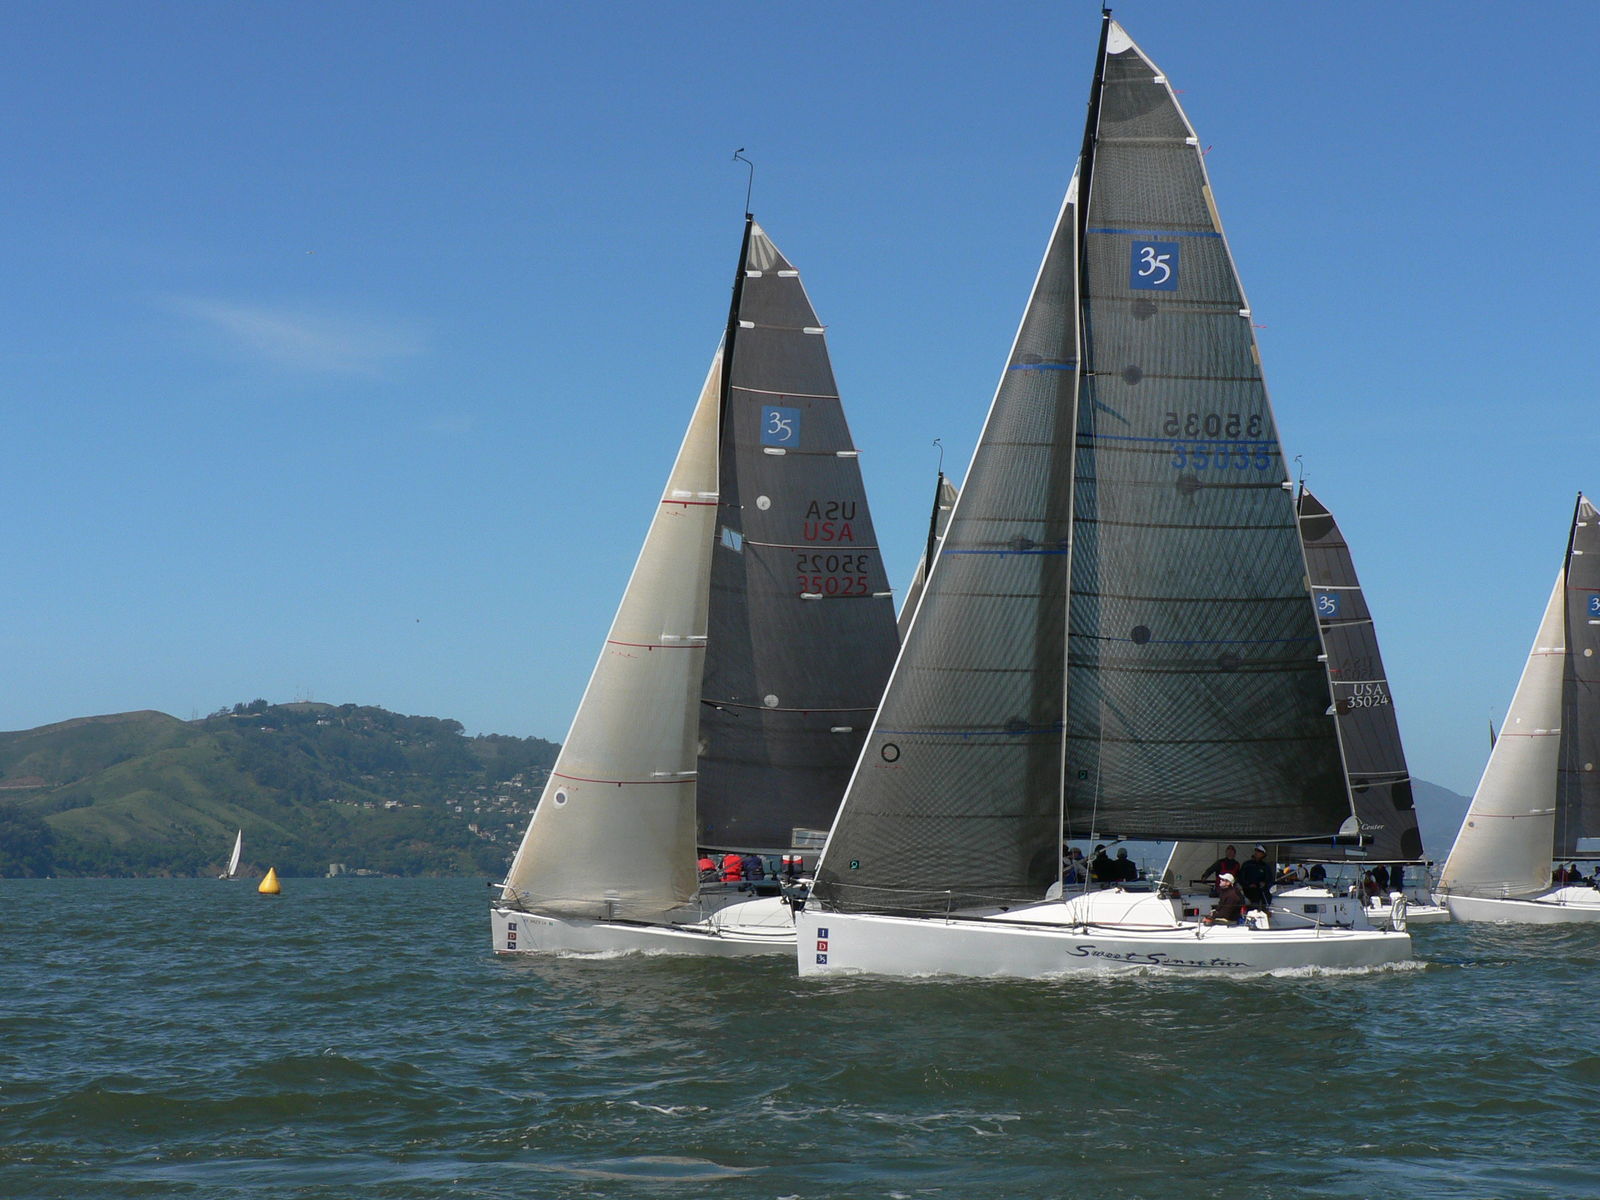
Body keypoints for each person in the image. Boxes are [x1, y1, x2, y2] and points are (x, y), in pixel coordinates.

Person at [1237, 844, 1273, 908]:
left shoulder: (1265, 866)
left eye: (1259, 851)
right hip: (1247, 891)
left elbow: (1269, 879)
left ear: (1263, 854)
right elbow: (1241, 878)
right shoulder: (1247, 864)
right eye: (1256, 850)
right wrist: (1248, 885)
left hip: (1261, 892)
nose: (1257, 852)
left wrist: (1264, 883)